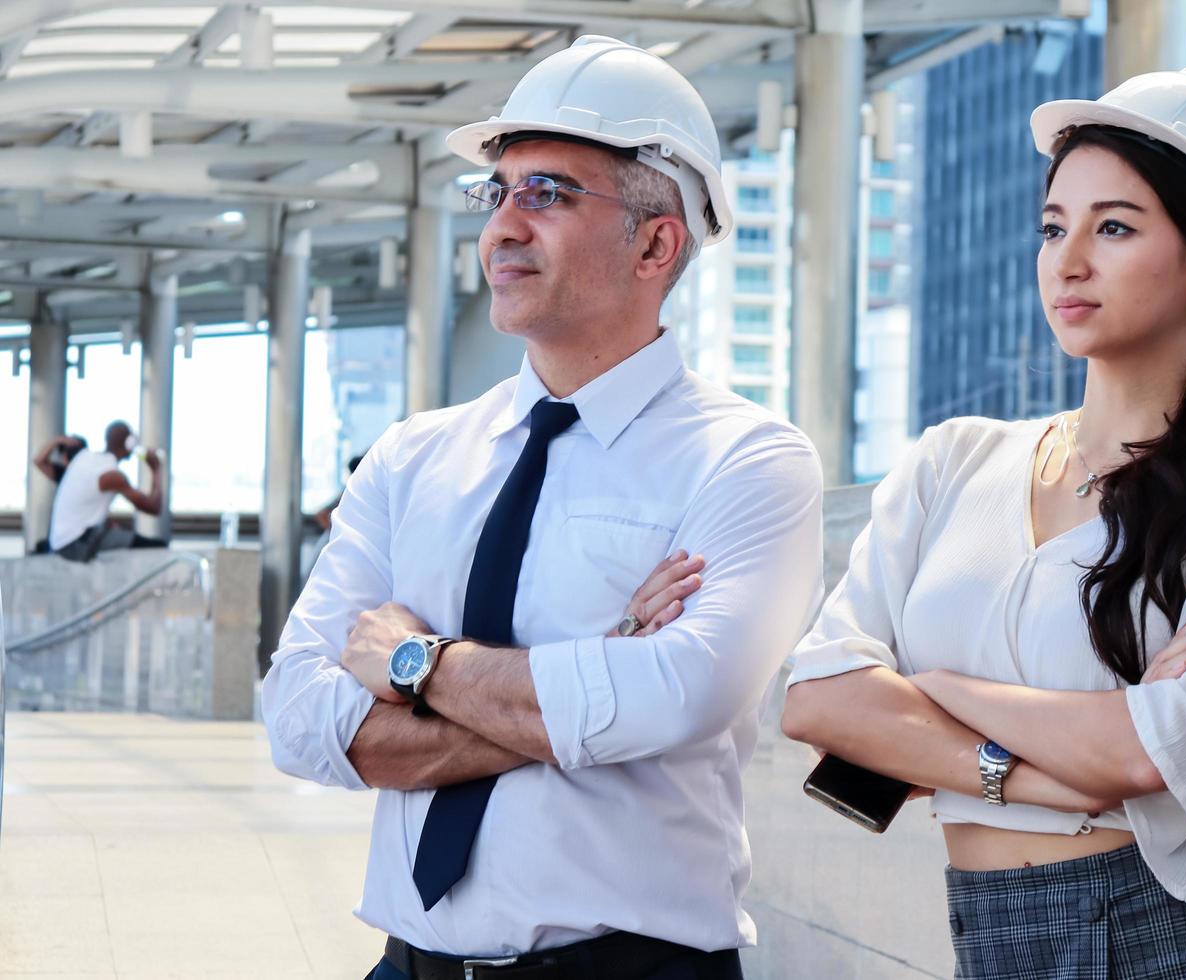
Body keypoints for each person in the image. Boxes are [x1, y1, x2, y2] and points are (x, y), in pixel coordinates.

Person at [260, 35, 824, 980]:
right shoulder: (412, 457)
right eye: (500, 191)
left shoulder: (748, 462)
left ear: (656, 241)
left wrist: (413, 662)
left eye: (550, 194)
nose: (503, 227)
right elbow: (298, 719)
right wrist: (587, 682)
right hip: (411, 962)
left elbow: (676, 697)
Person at [779, 67, 1186, 979]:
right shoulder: (953, 460)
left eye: (1112, 226)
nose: (1066, 259)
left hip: (1177, 937)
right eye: (1052, 227)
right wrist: (1059, 766)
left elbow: (1142, 755)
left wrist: (932, 685)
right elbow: (817, 700)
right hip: (989, 932)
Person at [48, 421, 168, 562]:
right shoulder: (112, 475)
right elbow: (153, 508)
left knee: (121, 534)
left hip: (60, 542)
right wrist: (156, 470)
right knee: (157, 547)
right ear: (129, 443)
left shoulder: (83, 457)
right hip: (75, 545)